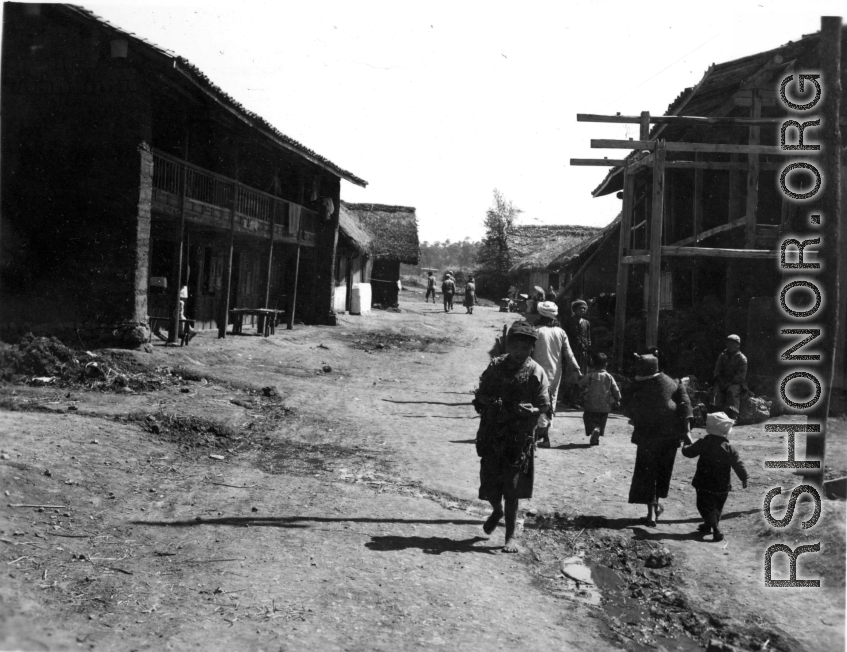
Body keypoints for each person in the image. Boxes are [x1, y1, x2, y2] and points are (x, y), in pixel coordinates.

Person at [473, 321, 549, 553]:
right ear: (509, 345)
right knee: (490, 484)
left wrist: (533, 410)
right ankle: (497, 510)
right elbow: (480, 395)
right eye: (516, 346)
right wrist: (487, 401)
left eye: (525, 348)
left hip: (518, 439)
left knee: (512, 489)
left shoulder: (536, 371)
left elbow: (544, 405)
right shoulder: (495, 366)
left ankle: (511, 536)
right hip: (492, 434)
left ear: (532, 348)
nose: (519, 351)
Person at [626, 353, 693, 526]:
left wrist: (635, 416)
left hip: (648, 436)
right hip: (670, 437)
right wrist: (686, 431)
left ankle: (652, 512)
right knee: (662, 472)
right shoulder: (673, 383)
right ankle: (654, 509)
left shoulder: (638, 384)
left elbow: (625, 404)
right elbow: (685, 404)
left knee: (647, 472)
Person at [682, 412, 749, 542]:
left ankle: (716, 529)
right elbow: (738, 464)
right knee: (717, 507)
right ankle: (709, 525)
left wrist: (685, 443)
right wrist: (744, 477)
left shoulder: (703, 443)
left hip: (704, 483)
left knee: (703, 505)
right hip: (723, 485)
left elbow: (688, 452)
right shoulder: (729, 448)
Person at [531, 301, 581, 448]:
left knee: (536, 401)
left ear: (540, 314)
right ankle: (545, 438)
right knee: (551, 402)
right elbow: (568, 353)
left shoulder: (534, 331)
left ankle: (536, 436)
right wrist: (576, 369)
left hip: (535, 372)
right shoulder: (560, 332)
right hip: (554, 373)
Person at [578, 352, 621, 446]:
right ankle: (596, 435)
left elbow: (581, 384)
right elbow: (615, 389)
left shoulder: (590, 375)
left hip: (590, 404)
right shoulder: (609, 377)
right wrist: (617, 399)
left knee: (588, 419)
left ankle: (594, 430)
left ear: (593, 364)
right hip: (604, 406)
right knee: (601, 422)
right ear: (606, 364)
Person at [562, 299, 592, 408]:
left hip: (583, 353)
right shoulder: (568, 321)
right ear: (574, 309)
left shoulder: (586, 323)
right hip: (571, 353)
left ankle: (575, 400)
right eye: (580, 308)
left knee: (580, 377)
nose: (583, 310)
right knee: (570, 376)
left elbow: (588, 338)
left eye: (584, 308)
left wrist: (588, 351)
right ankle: (566, 398)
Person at [711, 334, 747, 419]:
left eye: (732, 343)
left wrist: (729, 383)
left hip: (735, 382)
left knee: (731, 392)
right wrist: (720, 381)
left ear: (737, 345)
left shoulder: (742, 358)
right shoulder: (722, 356)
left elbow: (741, 376)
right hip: (722, 381)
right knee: (715, 392)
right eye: (728, 343)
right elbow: (717, 370)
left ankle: (733, 416)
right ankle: (715, 416)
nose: (729, 345)